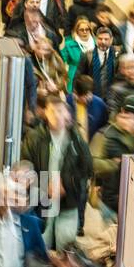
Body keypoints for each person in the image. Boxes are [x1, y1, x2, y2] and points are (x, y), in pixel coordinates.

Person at [22, 95, 94, 250]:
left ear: (67, 114)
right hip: (41, 204)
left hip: (68, 205)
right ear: (45, 113)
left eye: (60, 111)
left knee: (65, 249)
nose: (57, 115)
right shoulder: (34, 138)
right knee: (40, 248)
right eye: (52, 111)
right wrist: (43, 185)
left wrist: (66, 186)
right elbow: (26, 168)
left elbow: (86, 171)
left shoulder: (77, 141)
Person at [91, 96, 134, 222]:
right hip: (108, 199)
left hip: (133, 199)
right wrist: (113, 164)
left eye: (132, 114)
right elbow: (91, 163)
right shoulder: (105, 134)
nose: (128, 117)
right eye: (125, 112)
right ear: (120, 111)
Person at [77, 24, 118, 102]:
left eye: (106, 39)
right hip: (91, 97)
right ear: (96, 39)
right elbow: (78, 76)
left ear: (111, 40)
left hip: (112, 97)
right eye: (100, 39)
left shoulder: (117, 55)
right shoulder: (87, 55)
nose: (103, 42)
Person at [60, 17, 95, 92]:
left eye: (87, 29)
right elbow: (61, 60)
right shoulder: (69, 45)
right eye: (82, 30)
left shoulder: (96, 44)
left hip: (92, 77)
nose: (85, 32)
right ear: (77, 31)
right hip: (74, 78)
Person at [69, 73, 107, 141]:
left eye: (91, 94)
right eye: (85, 95)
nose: (89, 97)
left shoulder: (100, 105)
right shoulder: (67, 102)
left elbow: (104, 126)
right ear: (75, 93)